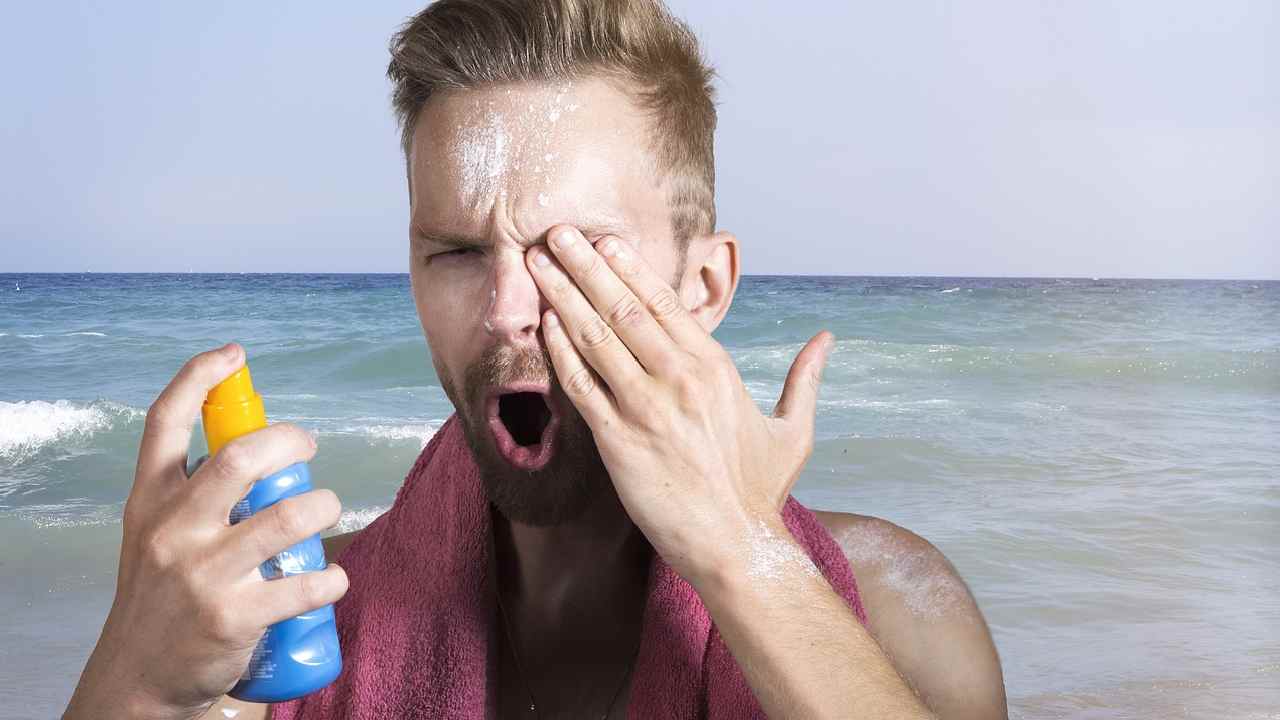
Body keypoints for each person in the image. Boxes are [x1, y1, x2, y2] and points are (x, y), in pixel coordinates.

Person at [64, 1, 1007, 718]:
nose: (510, 312)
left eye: (575, 251)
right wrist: (131, 679)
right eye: (457, 253)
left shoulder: (899, 612)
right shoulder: (287, 641)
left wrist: (744, 553)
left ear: (704, 287)